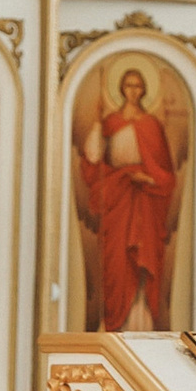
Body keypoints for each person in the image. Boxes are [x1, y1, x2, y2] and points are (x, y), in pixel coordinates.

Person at [73, 62, 179, 330]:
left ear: (144, 91)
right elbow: (93, 164)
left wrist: (148, 178)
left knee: (141, 262)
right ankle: (114, 325)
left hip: (145, 202)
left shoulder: (152, 125)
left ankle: (141, 325)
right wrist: (97, 132)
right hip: (117, 198)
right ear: (121, 89)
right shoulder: (110, 123)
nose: (133, 91)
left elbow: (166, 174)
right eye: (129, 85)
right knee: (117, 264)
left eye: (138, 86)